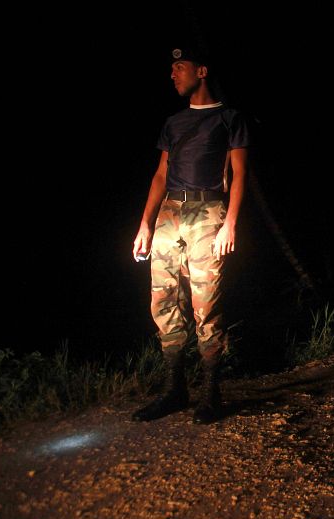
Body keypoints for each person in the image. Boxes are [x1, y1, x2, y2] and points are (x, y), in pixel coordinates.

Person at [131, 46, 251, 424]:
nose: (172, 74)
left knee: (206, 303)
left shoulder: (230, 118)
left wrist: (230, 222)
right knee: (163, 300)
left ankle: (210, 393)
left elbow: (240, 175)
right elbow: (160, 176)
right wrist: (145, 223)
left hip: (208, 211)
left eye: (179, 67)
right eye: (171, 68)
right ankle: (174, 390)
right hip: (170, 211)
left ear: (201, 71)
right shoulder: (173, 123)